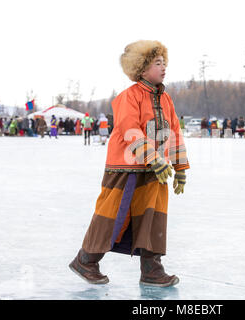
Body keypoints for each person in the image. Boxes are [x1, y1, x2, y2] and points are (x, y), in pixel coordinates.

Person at [69, 40, 190, 287]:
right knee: (112, 215)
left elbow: (175, 132)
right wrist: (152, 158)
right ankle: (86, 260)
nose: (164, 67)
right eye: (158, 63)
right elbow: (129, 129)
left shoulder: (166, 99)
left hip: (157, 171)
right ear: (142, 69)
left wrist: (180, 168)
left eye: (164, 62)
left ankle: (151, 270)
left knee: (153, 218)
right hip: (125, 169)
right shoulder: (128, 97)